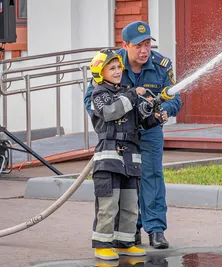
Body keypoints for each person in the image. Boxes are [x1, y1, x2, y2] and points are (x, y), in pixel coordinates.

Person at [84, 21, 182, 249]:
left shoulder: (161, 65)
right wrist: (105, 125)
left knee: (152, 176)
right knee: (125, 180)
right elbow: (92, 98)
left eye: (147, 44)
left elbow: (175, 98)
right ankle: (130, 231)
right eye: (138, 45)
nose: (145, 50)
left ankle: (156, 230)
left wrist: (163, 112)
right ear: (125, 45)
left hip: (149, 131)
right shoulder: (111, 64)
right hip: (119, 135)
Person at [89, 48, 167, 260]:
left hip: (130, 159)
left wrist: (156, 118)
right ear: (99, 73)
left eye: (118, 67)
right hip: (109, 159)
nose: (117, 71)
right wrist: (133, 94)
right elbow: (109, 112)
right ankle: (102, 245)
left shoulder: (125, 92)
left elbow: (140, 122)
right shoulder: (99, 94)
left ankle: (124, 242)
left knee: (130, 204)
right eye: (111, 68)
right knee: (108, 204)